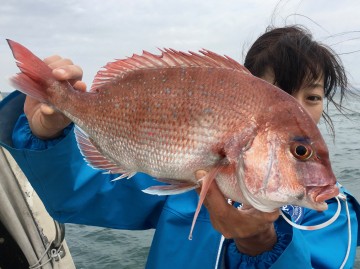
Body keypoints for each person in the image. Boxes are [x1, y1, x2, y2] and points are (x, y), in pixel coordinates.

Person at [0, 25, 359, 268]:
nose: (298, 109)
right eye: (279, 92)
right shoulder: (182, 182)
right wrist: (45, 132)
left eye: (312, 96)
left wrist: (264, 243)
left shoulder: (332, 214)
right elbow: (75, 196)